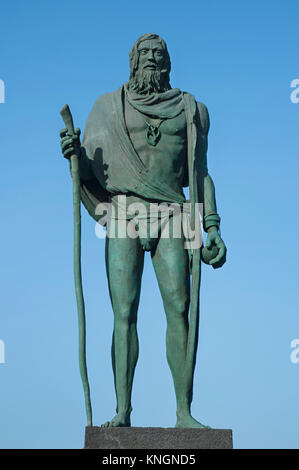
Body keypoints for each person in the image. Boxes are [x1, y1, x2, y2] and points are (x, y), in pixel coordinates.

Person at [60, 33, 227, 428]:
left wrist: (213, 226)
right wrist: (73, 154)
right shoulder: (106, 108)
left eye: (159, 53)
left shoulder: (190, 110)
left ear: (168, 62)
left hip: (173, 214)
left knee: (179, 311)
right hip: (123, 214)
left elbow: (200, 174)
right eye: (145, 53)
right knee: (123, 313)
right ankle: (123, 411)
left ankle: (184, 412)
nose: (152, 58)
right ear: (132, 61)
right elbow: (90, 170)